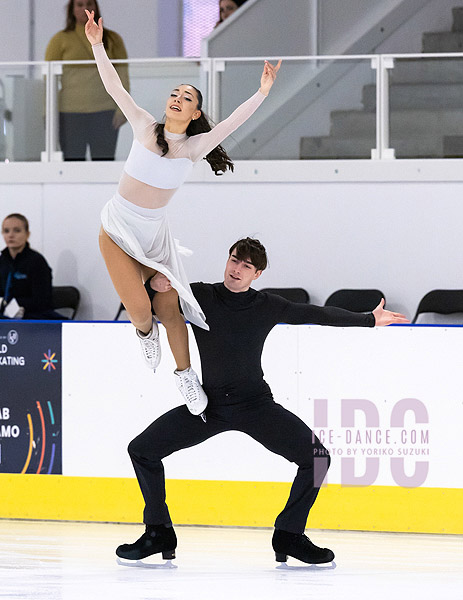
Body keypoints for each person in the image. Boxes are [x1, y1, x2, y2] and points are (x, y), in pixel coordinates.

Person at [115, 237, 409, 566]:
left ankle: (289, 535)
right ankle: (159, 533)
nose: (237, 269)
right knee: (142, 449)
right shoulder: (200, 294)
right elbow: (153, 304)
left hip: (255, 406)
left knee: (317, 459)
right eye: (234, 260)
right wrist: (155, 284)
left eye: (246, 266)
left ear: (258, 274)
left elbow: (316, 313)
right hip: (207, 407)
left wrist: (368, 318)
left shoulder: (267, 305)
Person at [84, 10, 281, 418]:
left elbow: (230, 123)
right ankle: (142, 331)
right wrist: (97, 45)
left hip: (154, 237)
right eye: (175, 92)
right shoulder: (142, 126)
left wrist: (262, 91)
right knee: (142, 311)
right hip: (119, 228)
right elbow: (114, 87)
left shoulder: (192, 148)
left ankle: (185, 376)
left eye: (187, 97)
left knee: (170, 305)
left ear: (194, 114)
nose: (177, 97)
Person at [45, 0, 129, 161]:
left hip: (105, 111)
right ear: (72, 10)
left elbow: (123, 73)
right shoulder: (60, 39)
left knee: (103, 163)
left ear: (96, 7)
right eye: (80, 4)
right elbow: (48, 78)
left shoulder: (112, 39)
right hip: (70, 114)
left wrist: (123, 109)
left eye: (89, 4)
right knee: (72, 164)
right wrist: (47, 112)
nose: (85, 8)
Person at [0, 214, 61, 320]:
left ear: (27, 234)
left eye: (17, 230)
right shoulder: (2, 261)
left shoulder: (36, 261)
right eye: (6, 231)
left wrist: (16, 305)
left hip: (33, 315)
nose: (10, 235)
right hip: (5, 314)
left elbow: (42, 300)